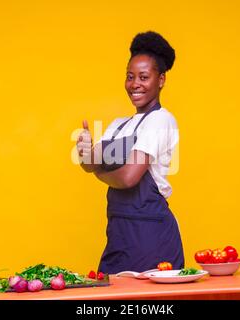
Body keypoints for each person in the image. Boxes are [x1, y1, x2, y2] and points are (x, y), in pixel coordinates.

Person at [76, 31, 184, 274]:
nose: (135, 84)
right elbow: (90, 164)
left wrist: (99, 172)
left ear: (161, 80)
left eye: (144, 77)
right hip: (119, 233)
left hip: (151, 237)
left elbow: (128, 177)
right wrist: (84, 150)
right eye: (130, 77)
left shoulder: (161, 120)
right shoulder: (118, 125)